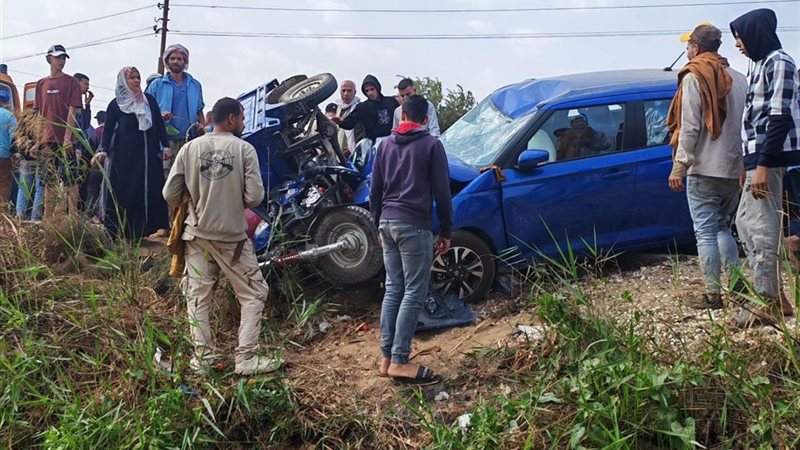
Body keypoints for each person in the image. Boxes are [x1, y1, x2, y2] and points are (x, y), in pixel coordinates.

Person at [162, 97, 280, 376]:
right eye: (241, 118)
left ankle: (202, 360)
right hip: (231, 239)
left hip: (196, 235)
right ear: (231, 118)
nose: (242, 123)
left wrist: (195, 199)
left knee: (198, 298)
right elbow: (254, 197)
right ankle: (246, 358)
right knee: (253, 293)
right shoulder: (244, 149)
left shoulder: (190, 148)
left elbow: (169, 194)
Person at [370, 95, 452, 385]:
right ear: (426, 119)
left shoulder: (384, 145)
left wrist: (377, 223)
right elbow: (443, 193)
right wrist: (446, 231)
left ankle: (386, 358)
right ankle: (400, 361)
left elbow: (375, 190)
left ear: (401, 115)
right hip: (414, 224)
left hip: (387, 223)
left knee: (393, 289)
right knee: (414, 292)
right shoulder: (431, 145)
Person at [666, 23, 747, 310]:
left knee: (705, 232)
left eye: (688, 46)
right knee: (723, 227)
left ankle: (713, 296)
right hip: (733, 168)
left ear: (696, 48)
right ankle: (737, 288)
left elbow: (689, 127)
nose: (687, 51)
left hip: (702, 168)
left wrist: (680, 165)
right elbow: (744, 129)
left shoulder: (694, 77)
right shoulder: (738, 78)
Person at [730, 9, 799, 327]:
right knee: (744, 223)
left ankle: (767, 301)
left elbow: (779, 116)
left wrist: (763, 164)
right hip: (757, 159)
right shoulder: (758, 64)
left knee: (761, 228)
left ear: (754, 34)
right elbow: (752, 121)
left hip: (769, 159)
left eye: (739, 37)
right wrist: (748, 163)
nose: (738, 45)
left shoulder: (779, 62)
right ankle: (777, 297)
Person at [92, 67, 170, 240]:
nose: (136, 81)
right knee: (122, 192)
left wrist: (165, 146)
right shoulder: (116, 104)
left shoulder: (148, 101)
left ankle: (141, 231)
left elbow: (158, 125)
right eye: (132, 78)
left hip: (146, 157)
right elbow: (108, 129)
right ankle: (117, 232)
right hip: (123, 158)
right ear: (123, 82)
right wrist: (103, 149)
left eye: (138, 78)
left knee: (145, 191)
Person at [34, 44, 83, 220]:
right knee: (49, 181)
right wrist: (37, 139)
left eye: (64, 58)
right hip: (47, 140)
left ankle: (74, 218)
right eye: (58, 57)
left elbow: (72, 110)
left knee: (70, 179)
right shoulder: (41, 83)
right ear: (49, 59)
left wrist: (68, 137)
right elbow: (40, 113)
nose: (61, 61)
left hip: (65, 139)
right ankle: (48, 219)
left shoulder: (71, 82)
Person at [145, 44, 205, 179]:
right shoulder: (157, 84)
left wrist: (201, 124)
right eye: (172, 58)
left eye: (179, 59)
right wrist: (160, 116)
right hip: (164, 141)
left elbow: (200, 110)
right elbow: (145, 110)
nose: (175, 61)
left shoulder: (195, 85)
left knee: (187, 177)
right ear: (167, 62)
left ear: (185, 62)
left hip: (189, 140)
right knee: (165, 177)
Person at [332, 75, 399, 145]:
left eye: (372, 89)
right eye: (367, 90)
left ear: (377, 88)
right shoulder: (362, 107)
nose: (370, 93)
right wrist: (341, 122)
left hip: (393, 143)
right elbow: (350, 122)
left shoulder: (391, 102)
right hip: (374, 146)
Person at [334, 80, 362, 154]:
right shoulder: (338, 108)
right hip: (339, 152)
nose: (346, 94)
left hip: (356, 151)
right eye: (343, 90)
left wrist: (352, 147)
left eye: (349, 91)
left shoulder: (360, 108)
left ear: (354, 92)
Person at [0, 90, 16, 206]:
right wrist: (15, 155)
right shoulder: (10, 116)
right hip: (3, 156)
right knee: (4, 184)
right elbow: (14, 138)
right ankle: (2, 215)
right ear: (6, 102)